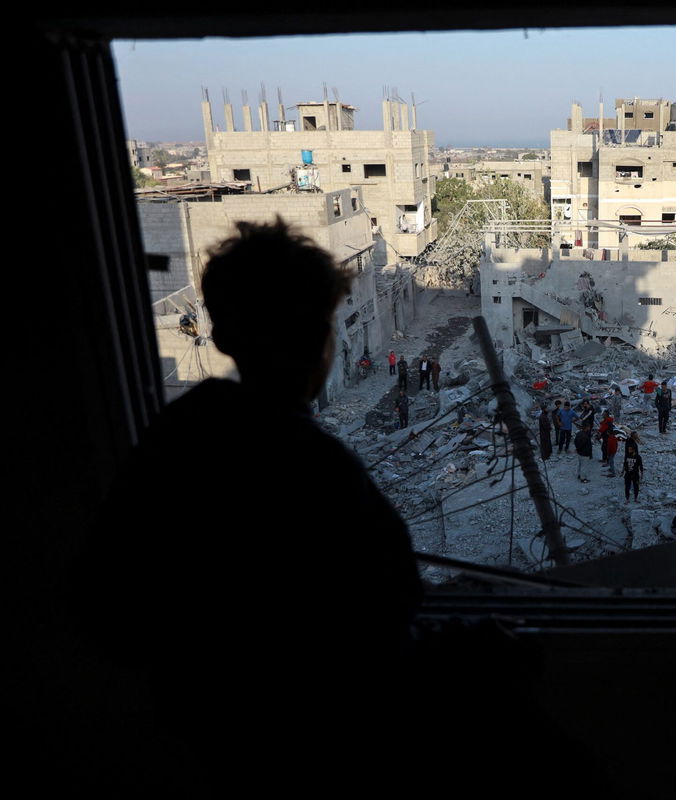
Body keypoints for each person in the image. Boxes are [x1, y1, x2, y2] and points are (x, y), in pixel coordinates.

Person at [70, 218, 421, 788]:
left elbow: (103, 599)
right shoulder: (316, 467)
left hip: (199, 735)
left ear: (223, 335)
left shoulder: (175, 436)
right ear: (323, 342)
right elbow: (395, 604)